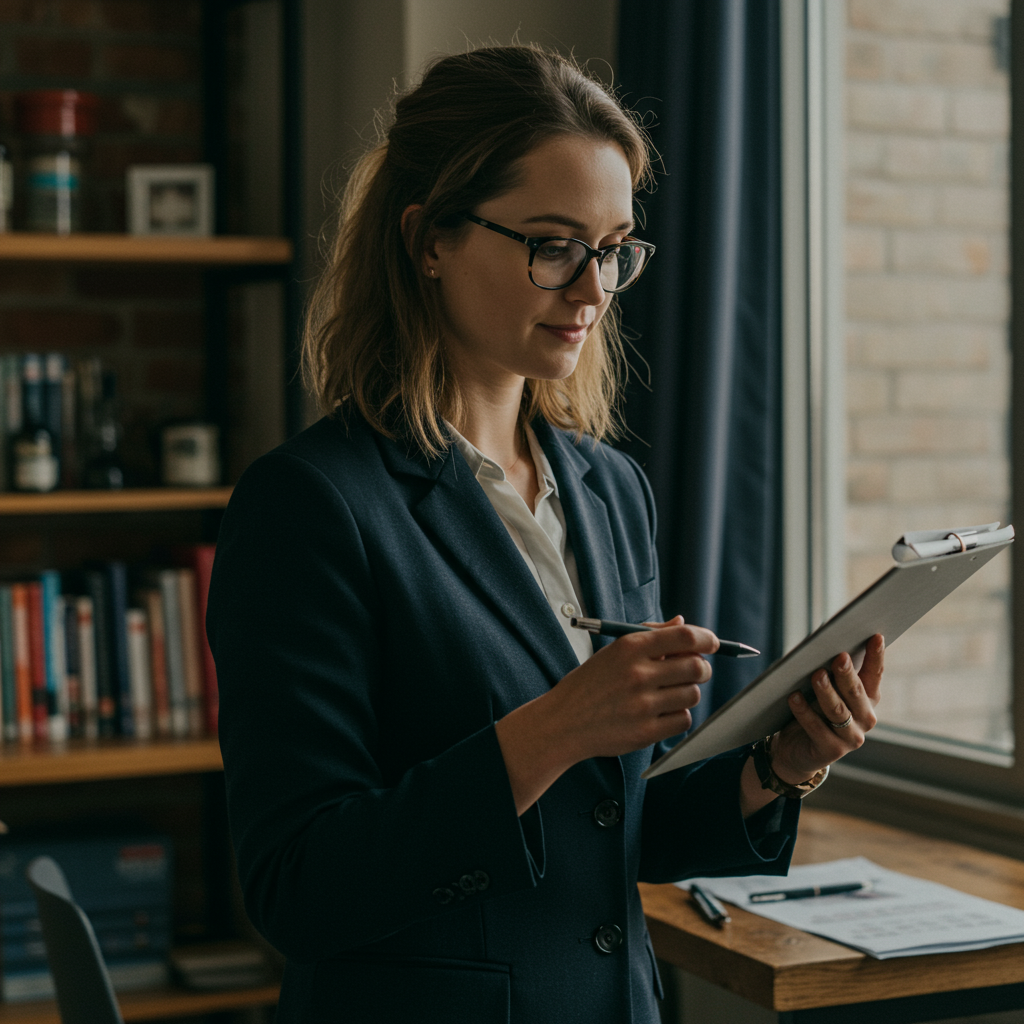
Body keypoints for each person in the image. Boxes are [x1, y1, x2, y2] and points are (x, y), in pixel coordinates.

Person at [206, 45, 884, 1024]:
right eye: (554, 245)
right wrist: (553, 729)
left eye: (613, 248)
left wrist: (776, 764)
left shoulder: (612, 490)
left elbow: (616, 829)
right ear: (429, 237)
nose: (594, 289)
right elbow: (299, 888)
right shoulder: (311, 505)